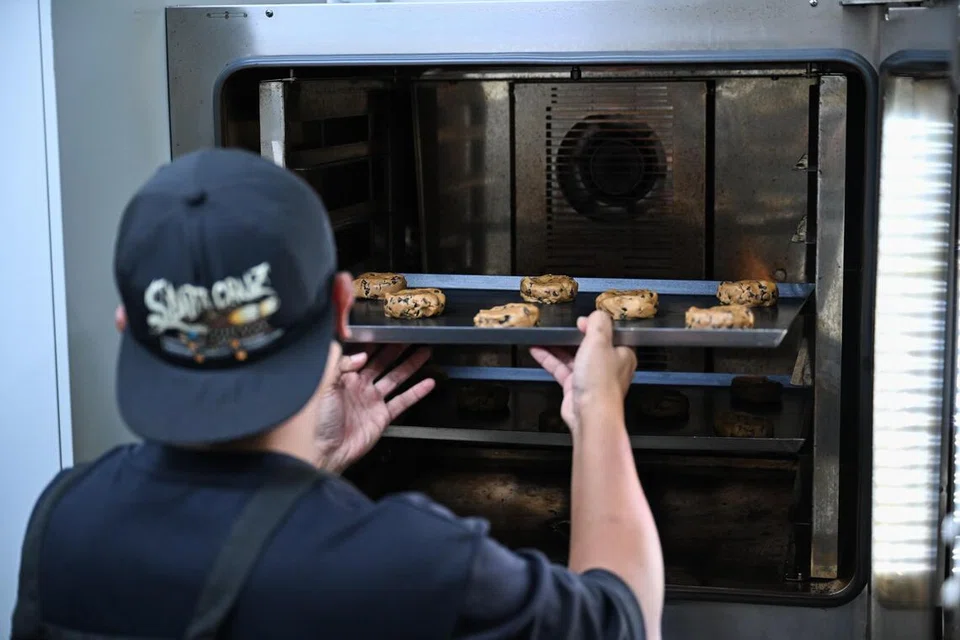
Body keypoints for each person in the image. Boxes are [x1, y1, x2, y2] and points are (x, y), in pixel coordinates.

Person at [11, 148, 664, 640]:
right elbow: (624, 615)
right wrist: (597, 409)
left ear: (130, 325)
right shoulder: (413, 562)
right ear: (342, 304)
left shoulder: (63, 523)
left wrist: (308, 468)